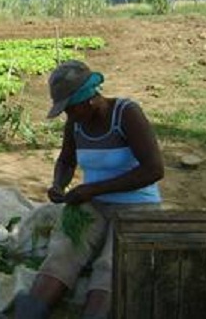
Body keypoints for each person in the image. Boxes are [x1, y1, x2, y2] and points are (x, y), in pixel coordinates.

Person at [14, 60, 164, 319]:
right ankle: (29, 313)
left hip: (137, 206)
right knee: (64, 249)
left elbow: (154, 170)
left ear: (89, 99)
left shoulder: (126, 114)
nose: (68, 116)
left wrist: (93, 189)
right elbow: (66, 160)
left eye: (70, 108)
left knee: (111, 263)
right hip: (93, 203)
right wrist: (58, 184)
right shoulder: (75, 123)